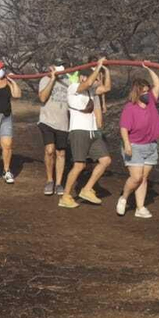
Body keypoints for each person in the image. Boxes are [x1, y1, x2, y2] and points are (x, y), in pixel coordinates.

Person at [61, 58, 113, 208]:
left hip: (92, 132)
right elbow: (88, 83)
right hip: (79, 131)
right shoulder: (73, 88)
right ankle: (65, 196)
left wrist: (106, 69)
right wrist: (97, 66)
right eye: (94, 77)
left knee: (105, 160)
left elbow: (107, 87)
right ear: (83, 77)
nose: (96, 80)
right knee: (79, 165)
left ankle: (87, 189)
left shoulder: (92, 92)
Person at [118, 64, 159, 218]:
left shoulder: (151, 101)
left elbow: (158, 84)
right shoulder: (130, 108)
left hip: (150, 145)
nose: (146, 94)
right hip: (135, 145)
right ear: (137, 93)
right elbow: (124, 128)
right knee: (136, 177)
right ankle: (124, 197)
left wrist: (149, 68)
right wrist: (127, 145)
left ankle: (140, 207)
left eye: (147, 91)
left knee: (144, 178)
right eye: (143, 92)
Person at [37, 64, 74, 197]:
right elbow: (42, 98)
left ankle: (58, 183)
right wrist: (52, 79)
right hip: (46, 121)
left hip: (63, 123)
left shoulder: (69, 81)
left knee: (61, 153)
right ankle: (49, 180)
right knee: (49, 150)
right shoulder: (44, 79)